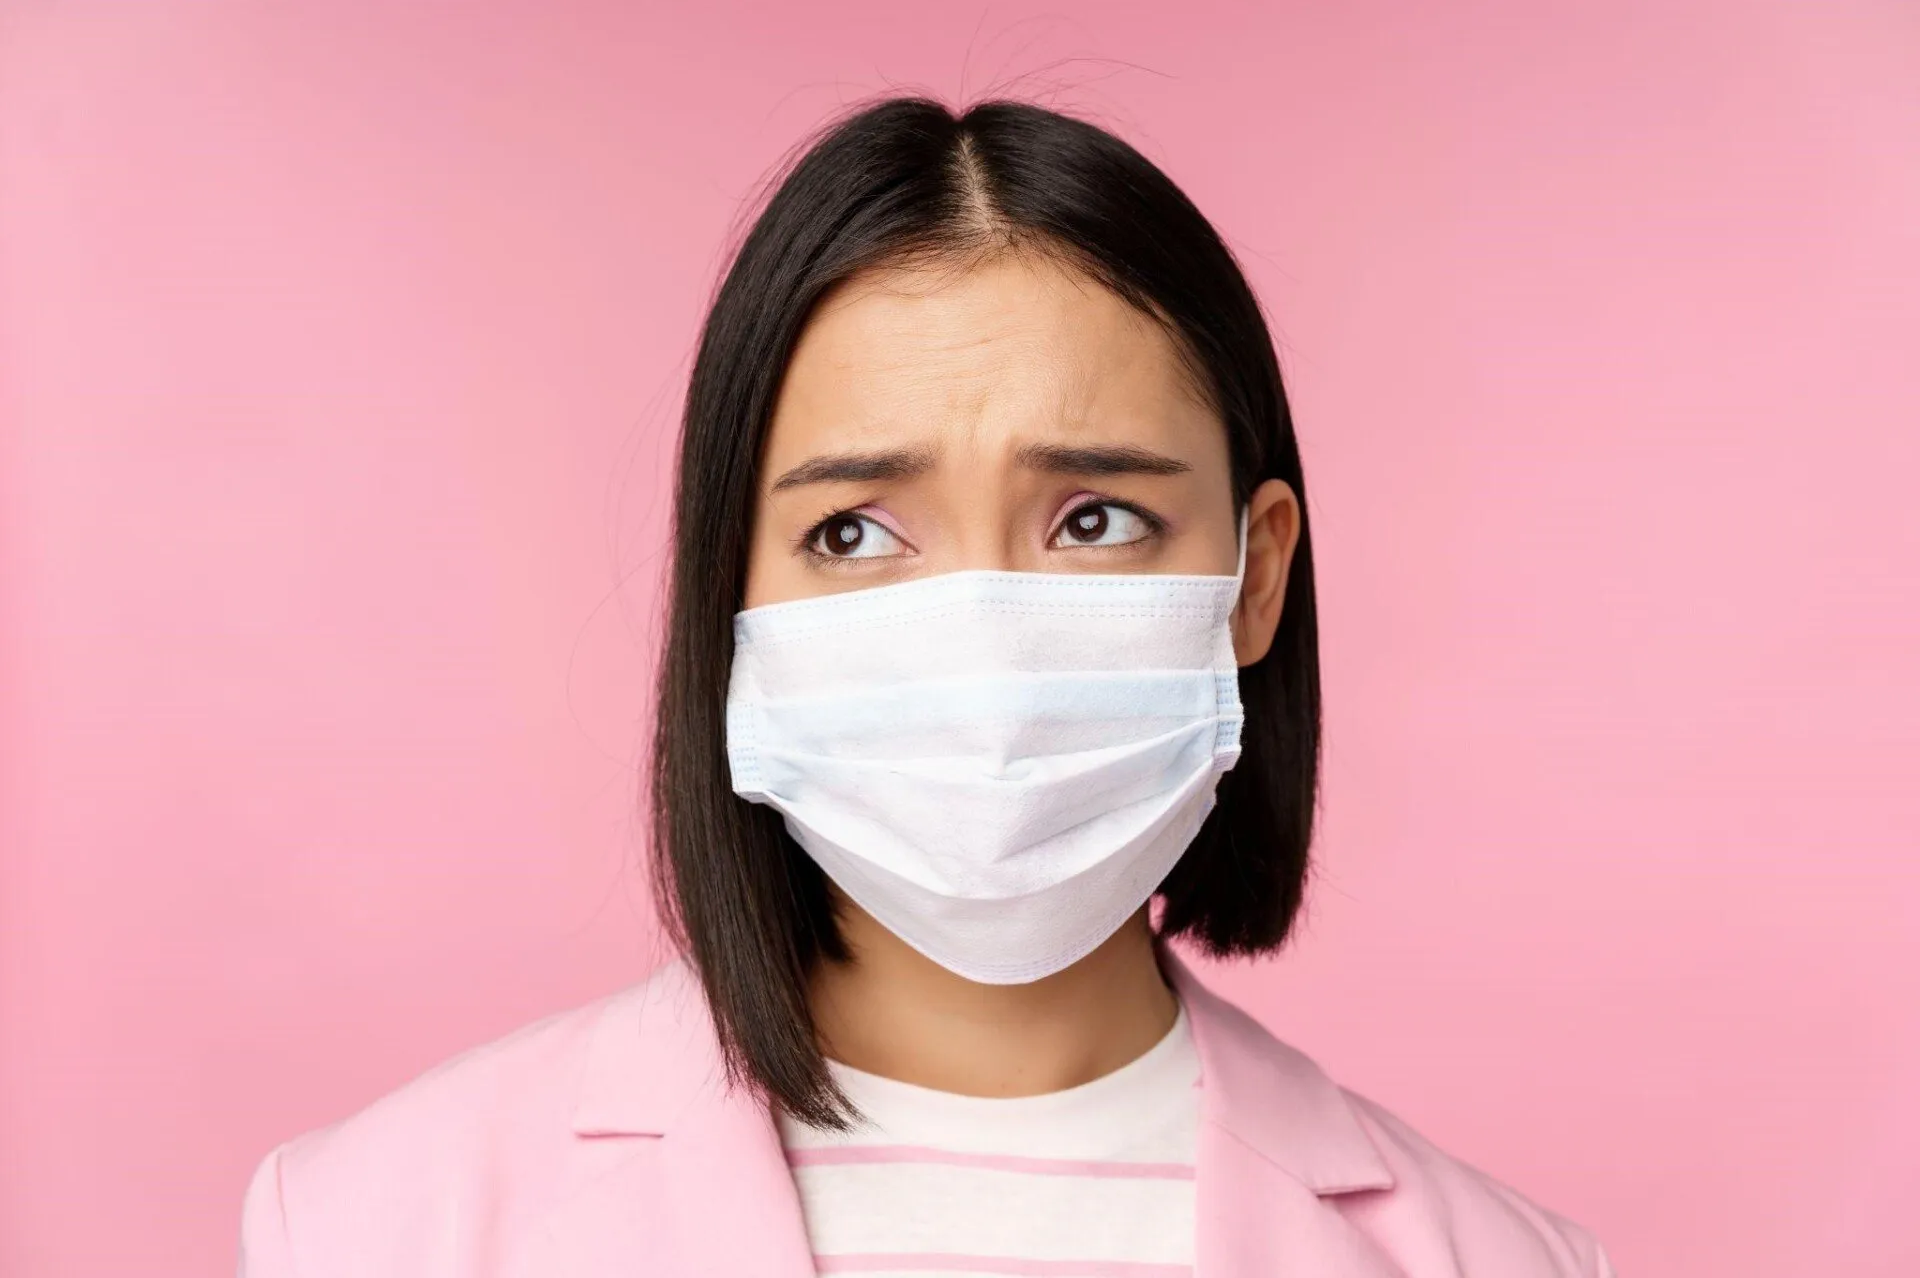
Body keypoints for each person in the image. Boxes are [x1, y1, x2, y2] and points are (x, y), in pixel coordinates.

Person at [237, 95, 1615, 1278]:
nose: (987, 647)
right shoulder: (375, 1225)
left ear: (1254, 578)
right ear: (735, 598)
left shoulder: (1499, 1262)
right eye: (853, 533)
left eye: (1094, 519)